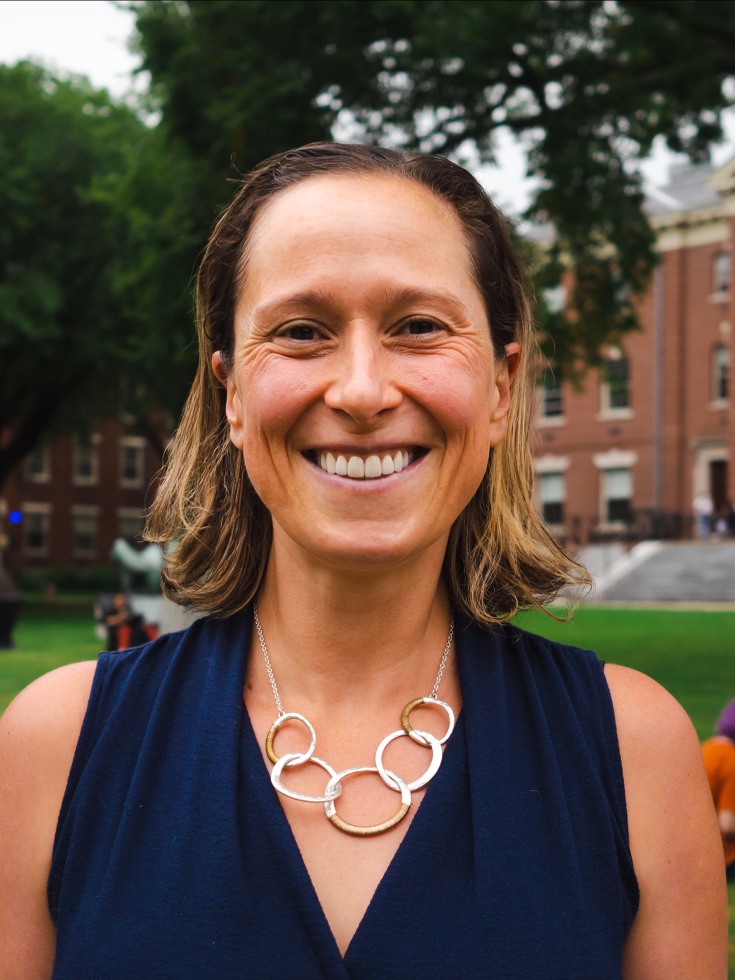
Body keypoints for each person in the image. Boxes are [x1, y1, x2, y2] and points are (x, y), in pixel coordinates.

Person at [0, 143, 726, 977]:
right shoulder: (59, 746)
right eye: (301, 332)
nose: (361, 390)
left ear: (499, 387)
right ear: (232, 394)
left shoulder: (633, 751)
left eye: (417, 327)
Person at [703, 700, 735, 881]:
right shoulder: (731, 760)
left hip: (696, 847)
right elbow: (727, 824)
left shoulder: (707, 748)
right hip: (722, 856)